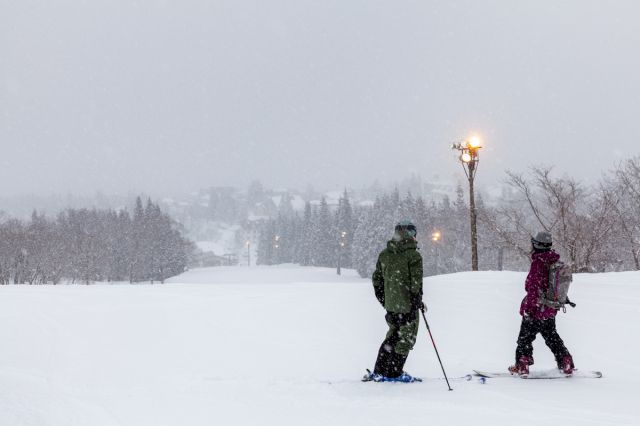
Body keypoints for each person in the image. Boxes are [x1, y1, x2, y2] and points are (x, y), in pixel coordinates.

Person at [509, 231, 575, 377]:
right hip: (550, 309)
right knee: (552, 337)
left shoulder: (538, 263)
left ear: (536, 245)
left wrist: (530, 309)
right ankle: (566, 361)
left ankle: (522, 365)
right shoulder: (554, 261)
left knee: (524, 339)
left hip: (537, 309)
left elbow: (533, 288)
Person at [368, 220, 425, 382]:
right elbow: (416, 282)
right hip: (407, 306)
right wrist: (416, 300)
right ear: (411, 234)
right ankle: (394, 372)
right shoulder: (413, 255)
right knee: (406, 337)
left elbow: (377, 280)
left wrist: (385, 300)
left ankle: (380, 370)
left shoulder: (385, 254)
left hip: (392, 305)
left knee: (393, 335)